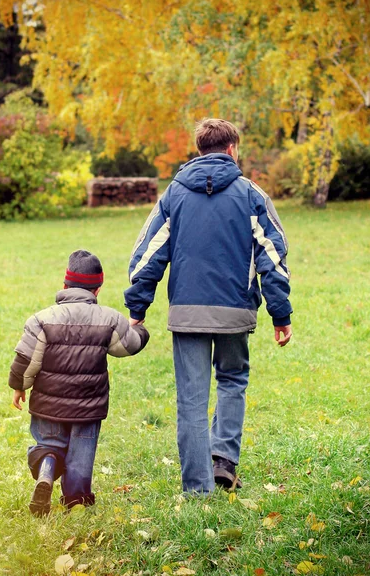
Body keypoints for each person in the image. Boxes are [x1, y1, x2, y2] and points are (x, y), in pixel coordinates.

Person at [124, 118, 292, 495]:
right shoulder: (252, 195)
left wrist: (138, 306)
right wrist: (280, 314)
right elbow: (273, 257)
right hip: (236, 311)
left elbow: (147, 255)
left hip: (187, 312)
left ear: (199, 150)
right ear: (232, 149)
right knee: (232, 381)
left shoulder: (173, 195)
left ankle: (197, 489)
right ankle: (223, 461)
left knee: (191, 400)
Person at [9, 250, 150, 515]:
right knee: (81, 457)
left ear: (64, 286)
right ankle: (76, 500)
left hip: (48, 405)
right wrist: (140, 330)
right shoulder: (110, 319)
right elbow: (128, 346)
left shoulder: (42, 319)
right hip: (89, 407)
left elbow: (26, 359)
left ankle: (47, 468)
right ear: (97, 290)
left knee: (48, 444)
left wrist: (19, 386)